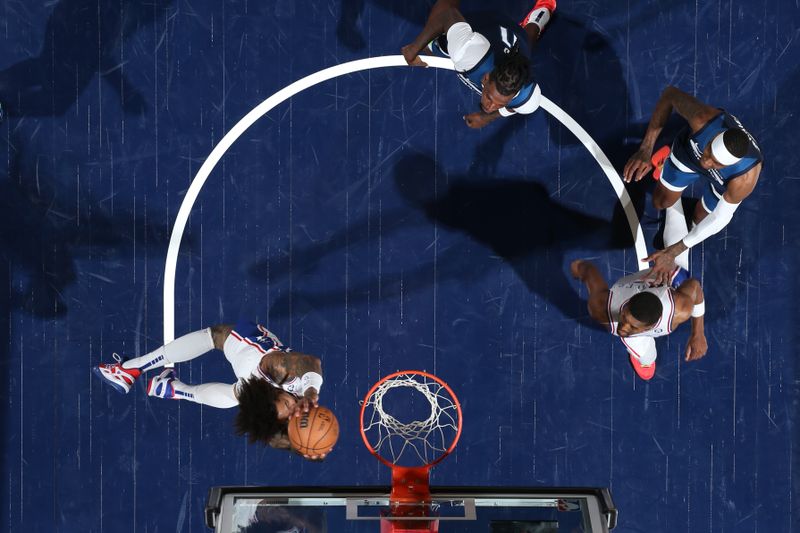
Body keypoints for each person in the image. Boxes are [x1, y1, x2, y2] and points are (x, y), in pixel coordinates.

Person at [93, 321, 329, 459]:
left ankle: (130, 370)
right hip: (251, 383)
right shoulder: (274, 401)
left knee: (217, 335)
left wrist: (304, 446)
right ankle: (170, 389)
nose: (294, 408)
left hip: (248, 354)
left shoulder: (275, 368)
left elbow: (312, 363)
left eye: (288, 406)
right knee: (238, 394)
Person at [623, 85, 763, 285]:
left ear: (729, 164)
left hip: (722, 181)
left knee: (701, 218)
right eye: (709, 153)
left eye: (716, 162)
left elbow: (719, 219)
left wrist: (674, 251)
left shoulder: (743, 180)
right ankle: (666, 166)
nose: (706, 163)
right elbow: (669, 95)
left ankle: (683, 211)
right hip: (689, 154)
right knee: (660, 202)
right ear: (713, 139)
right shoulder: (703, 119)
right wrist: (646, 150)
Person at [570, 203, 708, 380]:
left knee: (678, 255)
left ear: (650, 327)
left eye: (633, 326)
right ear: (628, 305)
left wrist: (698, 333)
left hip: (668, 284)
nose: (623, 328)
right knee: (648, 356)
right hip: (660, 280)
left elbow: (695, 287)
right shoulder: (603, 309)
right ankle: (674, 192)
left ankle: (676, 200)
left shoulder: (680, 309)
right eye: (625, 318)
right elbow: (589, 272)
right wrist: (580, 267)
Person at [401, 0, 556, 129]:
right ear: (486, 78)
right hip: (486, 24)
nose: (490, 107)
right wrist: (414, 48)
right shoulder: (470, 54)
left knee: (526, 44)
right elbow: (449, 14)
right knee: (434, 45)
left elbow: (511, 108)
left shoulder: (527, 99)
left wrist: (487, 117)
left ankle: (540, 14)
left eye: (499, 104)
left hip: (517, 36)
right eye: (489, 97)